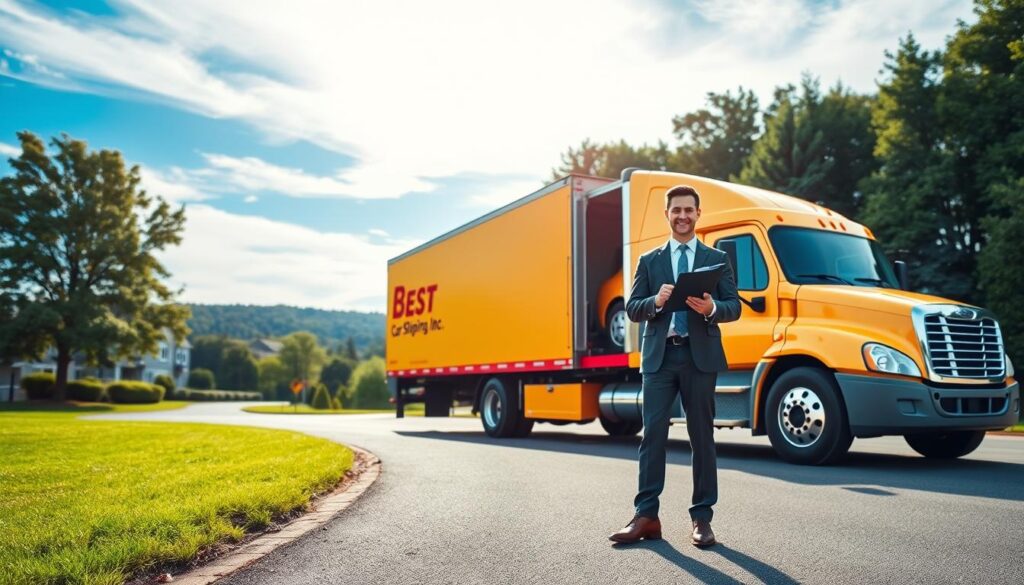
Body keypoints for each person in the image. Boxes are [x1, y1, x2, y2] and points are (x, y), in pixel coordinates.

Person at [609, 184, 741, 547]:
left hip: (700, 358)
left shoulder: (717, 259)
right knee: (652, 436)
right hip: (660, 358)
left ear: (698, 214)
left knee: (702, 438)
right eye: (676, 210)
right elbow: (633, 307)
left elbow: (735, 306)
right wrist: (656, 300)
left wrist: (712, 309)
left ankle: (702, 519)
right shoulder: (649, 261)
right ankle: (646, 516)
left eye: (689, 209)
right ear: (666, 215)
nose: (682, 215)